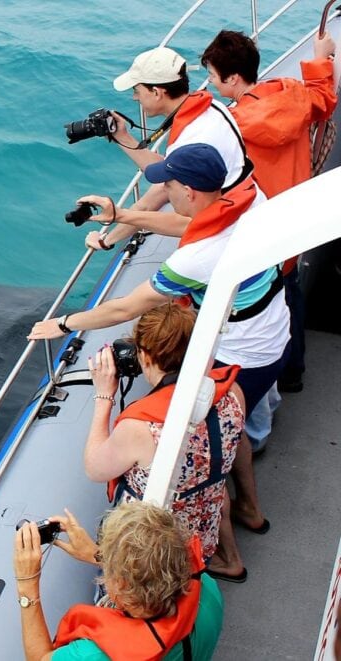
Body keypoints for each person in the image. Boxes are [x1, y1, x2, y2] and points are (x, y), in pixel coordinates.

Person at [28, 143, 286, 542]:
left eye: (170, 183)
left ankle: (230, 546)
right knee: (233, 429)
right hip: (273, 333)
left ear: (191, 192)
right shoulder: (243, 202)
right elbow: (190, 226)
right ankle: (251, 507)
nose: (164, 187)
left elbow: (125, 309)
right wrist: (122, 215)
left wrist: (64, 323)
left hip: (242, 355)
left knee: (208, 450)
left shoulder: (196, 259)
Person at [202, 29, 338, 396]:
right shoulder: (292, 94)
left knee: (264, 301)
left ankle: (257, 379)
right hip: (295, 220)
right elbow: (325, 99)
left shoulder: (232, 126)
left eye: (214, 77)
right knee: (290, 293)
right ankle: (293, 372)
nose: (212, 83)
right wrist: (321, 58)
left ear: (232, 79)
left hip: (258, 228)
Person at [83, 303, 246, 579]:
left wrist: (104, 397)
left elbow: (95, 469)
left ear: (144, 357)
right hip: (205, 524)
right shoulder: (232, 392)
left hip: (160, 544)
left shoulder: (141, 427)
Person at [82, 46, 262, 252]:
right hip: (250, 208)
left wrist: (107, 237)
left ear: (157, 92)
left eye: (137, 91)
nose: (135, 98)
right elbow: (168, 172)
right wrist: (122, 136)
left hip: (231, 234)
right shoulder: (212, 108)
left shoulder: (192, 139)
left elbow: (188, 221)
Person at [15, 502, 223, 660]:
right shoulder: (208, 590)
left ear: (121, 587)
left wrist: (27, 585)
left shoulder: (93, 655)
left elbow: (40, 658)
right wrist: (97, 556)